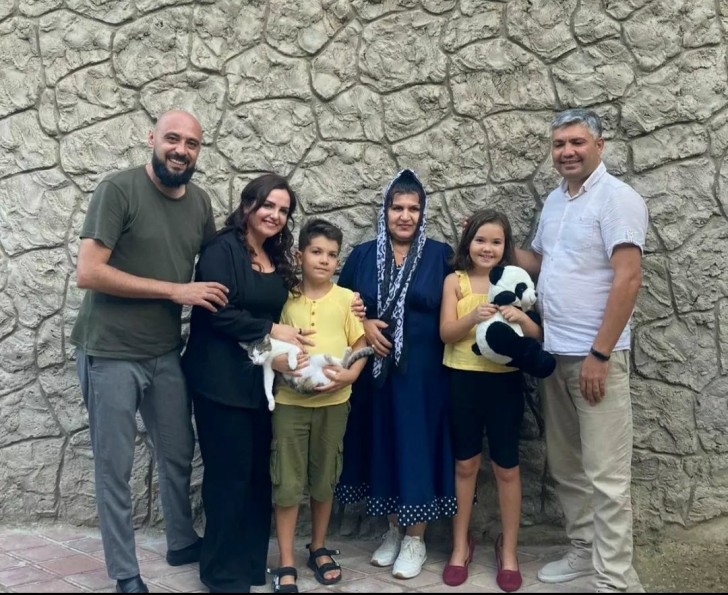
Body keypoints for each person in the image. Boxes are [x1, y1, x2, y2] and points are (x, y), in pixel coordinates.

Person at [71, 110, 229, 594]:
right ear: (152, 139)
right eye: (172, 139)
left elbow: (219, 262)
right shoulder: (117, 190)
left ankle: (181, 540)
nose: (181, 150)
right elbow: (89, 272)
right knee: (114, 468)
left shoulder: (199, 202)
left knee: (178, 452)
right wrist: (175, 291)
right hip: (110, 352)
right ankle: (124, 572)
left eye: (191, 144)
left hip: (164, 353)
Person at [516, 108, 648, 593]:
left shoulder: (618, 199)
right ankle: (583, 550)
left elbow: (628, 278)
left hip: (596, 359)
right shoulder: (556, 200)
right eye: (559, 144)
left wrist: (600, 354)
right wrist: (490, 244)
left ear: (599, 145)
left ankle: (614, 579)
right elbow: (539, 261)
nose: (567, 152)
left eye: (576, 142)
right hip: (554, 353)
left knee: (607, 476)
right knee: (568, 465)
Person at [181, 173, 311, 593]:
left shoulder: (274, 254)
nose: (275, 215)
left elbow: (292, 303)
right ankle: (221, 573)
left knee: (256, 478)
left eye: (283, 210)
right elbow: (218, 312)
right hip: (219, 383)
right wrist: (271, 329)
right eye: (268, 205)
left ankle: (250, 565)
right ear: (248, 204)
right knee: (228, 478)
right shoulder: (222, 250)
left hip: (259, 385)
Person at [334, 169, 457, 580]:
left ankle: (415, 539)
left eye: (413, 209)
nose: (405, 216)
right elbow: (341, 306)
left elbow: (456, 306)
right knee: (383, 444)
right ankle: (392, 530)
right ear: (384, 211)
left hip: (423, 378)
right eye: (397, 207)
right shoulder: (363, 256)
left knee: (416, 447)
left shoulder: (440, 256)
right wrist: (365, 323)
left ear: (423, 213)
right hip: (376, 376)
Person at [439, 209, 545, 592]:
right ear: (468, 242)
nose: (487, 248)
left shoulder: (515, 279)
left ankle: (509, 549)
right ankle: (459, 545)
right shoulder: (455, 281)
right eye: (480, 240)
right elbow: (446, 332)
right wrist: (472, 317)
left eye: (496, 242)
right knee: (465, 464)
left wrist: (521, 317)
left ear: (506, 246)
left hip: (505, 385)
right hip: (463, 380)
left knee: (507, 468)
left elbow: (536, 335)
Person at [269, 218, 370, 593]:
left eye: (331, 254)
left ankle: (319, 546)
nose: (324, 260)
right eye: (316, 252)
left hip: (334, 403)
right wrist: (279, 362)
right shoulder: (283, 298)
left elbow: (360, 344)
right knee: (287, 481)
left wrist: (350, 375)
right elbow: (268, 345)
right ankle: (286, 559)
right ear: (300, 255)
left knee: (325, 477)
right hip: (290, 403)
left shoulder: (346, 300)